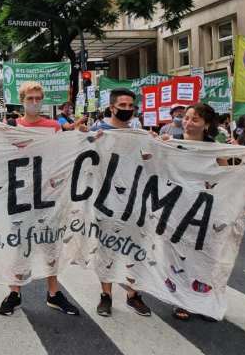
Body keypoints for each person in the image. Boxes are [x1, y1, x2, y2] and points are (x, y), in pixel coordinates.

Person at [0, 82, 80, 316]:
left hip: (47, 196)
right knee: (18, 244)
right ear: (22, 100)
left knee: (49, 244)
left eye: (38, 98)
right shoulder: (11, 127)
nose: (34, 102)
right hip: (19, 196)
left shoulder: (54, 127)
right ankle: (14, 292)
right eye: (30, 98)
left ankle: (54, 293)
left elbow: (62, 157)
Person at [89, 88, 152, 317]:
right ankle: (106, 295)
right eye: (122, 106)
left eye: (130, 106)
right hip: (106, 200)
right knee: (107, 248)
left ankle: (133, 295)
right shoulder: (98, 130)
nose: (127, 110)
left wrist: (158, 145)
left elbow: (149, 161)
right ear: (112, 107)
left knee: (135, 248)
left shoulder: (139, 134)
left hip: (134, 200)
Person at [160, 103, 223, 320]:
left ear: (206, 124)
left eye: (194, 119)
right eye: (186, 118)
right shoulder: (172, 143)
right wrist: (159, 146)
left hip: (204, 211)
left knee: (204, 257)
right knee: (177, 256)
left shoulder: (214, 148)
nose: (187, 122)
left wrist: (243, 154)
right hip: (176, 209)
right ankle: (181, 300)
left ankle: (203, 302)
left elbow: (225, 173)